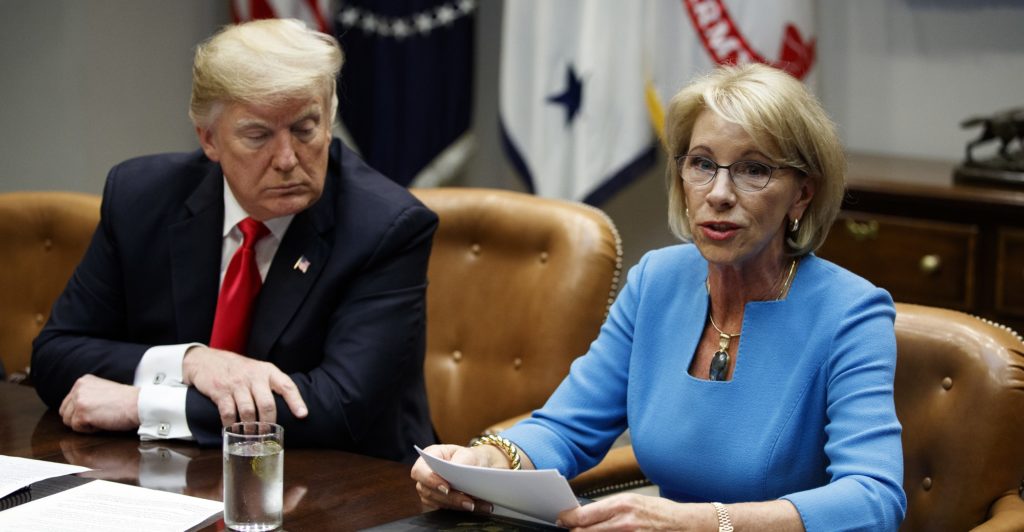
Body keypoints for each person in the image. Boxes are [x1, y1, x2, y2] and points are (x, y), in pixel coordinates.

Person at [411, 63, 906, 530]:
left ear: (802, 194)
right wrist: (483, 462)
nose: (719, 193)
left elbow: (875, 498)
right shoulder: (657, 281)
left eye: (754, 170)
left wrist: (703, 523)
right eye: (703, 164)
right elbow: (565, 427)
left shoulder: (851, 314)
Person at [31, 19, 437, 464]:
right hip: (175, 480)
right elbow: (55, 355)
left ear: (329, 118)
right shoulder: (141, 197)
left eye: (305, 129)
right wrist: (191, 362)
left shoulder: (386, 226)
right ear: (209, 138)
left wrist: (144, 406)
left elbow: (339, 407)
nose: (287, 159)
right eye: (258, 135)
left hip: (350, 489)